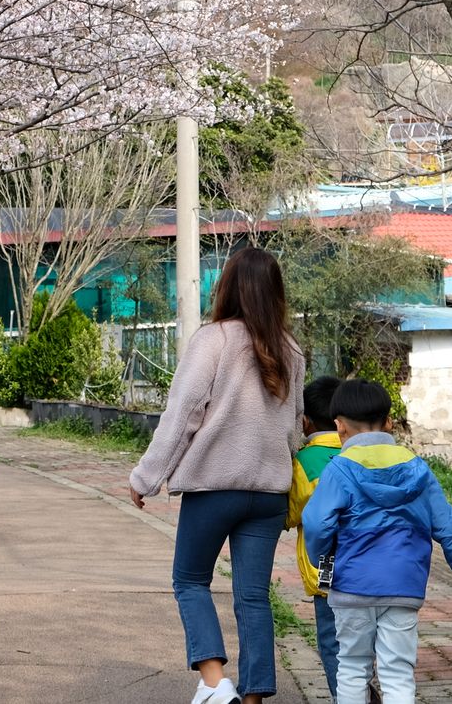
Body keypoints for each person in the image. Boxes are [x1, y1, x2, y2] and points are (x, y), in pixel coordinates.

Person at [127, 247, 304, 704]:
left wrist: (146, 477)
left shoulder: (214, 340)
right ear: (275, 292)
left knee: (190, 580)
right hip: (268, 493)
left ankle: (213, 682)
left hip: (214, 487)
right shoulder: (292, 351)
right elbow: (294, 427)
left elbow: (183, 414)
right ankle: (253, 698)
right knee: (253, 597)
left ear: (227, 286)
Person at [301, 379, 452, 704]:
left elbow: (316, 523)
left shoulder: (339, 470)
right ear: (388, 422)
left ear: (339, 426)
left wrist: (321, 558)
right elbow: (450, 527)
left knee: (353, 667)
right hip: (403, 588)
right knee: (397, 670)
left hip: (352, 586)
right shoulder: (418, 469)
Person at [286, 375, 345, 700]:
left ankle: (344, 697)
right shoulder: (359, 454)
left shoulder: (303, 461)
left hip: (327, 569)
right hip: (369, 568)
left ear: (305, 422)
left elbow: (292, 514)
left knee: (331, 641)